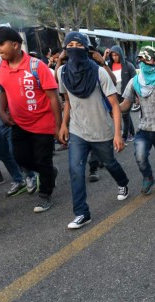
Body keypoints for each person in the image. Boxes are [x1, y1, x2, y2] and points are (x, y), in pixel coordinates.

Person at [57, 31, 129, 229]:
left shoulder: (99, 72)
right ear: (65, 49)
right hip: (78, 131)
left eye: (79, 45)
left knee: (110, 163)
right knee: (75, 170)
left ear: (87, 49)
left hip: (101, 130)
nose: (74, 49)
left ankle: (123, 182)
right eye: (70, 45)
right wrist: (64, 124)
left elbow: (115, 105)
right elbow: (67, 102)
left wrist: (117, 134)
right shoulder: (62, 72)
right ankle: (82, 213)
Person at [0, 26, 62, 213]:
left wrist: (58, 126)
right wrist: (2, 111)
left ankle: (45, 195)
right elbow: (1, 89)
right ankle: (48, 173)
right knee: (19, 157)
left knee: (43, 160)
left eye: (1, 44)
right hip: (18, 123)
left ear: (15, 44)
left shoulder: (37, 66)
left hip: (43, 124)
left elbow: (54, 97)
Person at [120, 46, 155, 196]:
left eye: (146, 58)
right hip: (144, 128)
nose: (143, 62)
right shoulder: (134, 81)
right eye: (141, 59)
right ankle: (148, 177)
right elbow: (126, 103)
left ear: (154, 60)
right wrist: (112, 107)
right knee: (140, 156)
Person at [0, 41, 37, 195]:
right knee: (1, 152)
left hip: (10, 113)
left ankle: (31, 175)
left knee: (15, 150)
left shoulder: (0, 64)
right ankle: (17, 179)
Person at [106, 45, 136, 144]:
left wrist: (136, 95)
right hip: (115, 94)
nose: (115, 57)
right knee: (124, 114)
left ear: (120, 55)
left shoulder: (128, 65)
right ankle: (132, 133)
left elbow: (135, 79)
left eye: (116, 55)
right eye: (113, 55)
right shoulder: (109, 65)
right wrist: (104, 56)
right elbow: (100, 67)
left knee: (125, 115)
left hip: (127, 94)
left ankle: (124, 136)